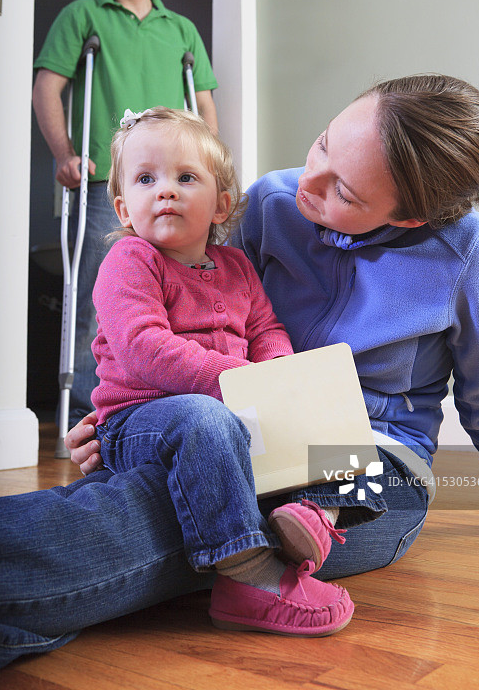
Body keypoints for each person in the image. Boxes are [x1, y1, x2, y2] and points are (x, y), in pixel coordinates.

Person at [0, 74, 479, 668]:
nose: (308, 182)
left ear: (409, 219)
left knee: (159, 510)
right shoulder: (271, 203)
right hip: (238, 425)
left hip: (368, 469)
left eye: (346, 195)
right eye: (323, 145)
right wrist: (123, 412)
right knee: (179, 490)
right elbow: (204, 321)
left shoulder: (475, 259)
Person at [89, 105, 353, 636]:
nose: (165, 190)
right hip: (142, 419)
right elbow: (144, 348)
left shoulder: (236, 267)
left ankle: (319, 515)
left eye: (186, 177)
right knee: (205, 419)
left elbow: (266, 328)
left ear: (221, 205)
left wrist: (277, 370)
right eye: (146, 179)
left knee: (332, 402)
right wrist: (239, 381)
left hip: (233, 405)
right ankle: (246, 575)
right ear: (123, 207)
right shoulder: (131, 262)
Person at [32, 0, 219, 427]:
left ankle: (163, 396)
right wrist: (65, 153)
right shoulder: (80, 17)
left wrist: (211, 168)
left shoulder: (180, 28)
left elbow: (203, 107)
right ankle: (90, 412)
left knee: (183, 288)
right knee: (99, 292)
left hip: (176, 182)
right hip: (105, 183)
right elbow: (47, 88)